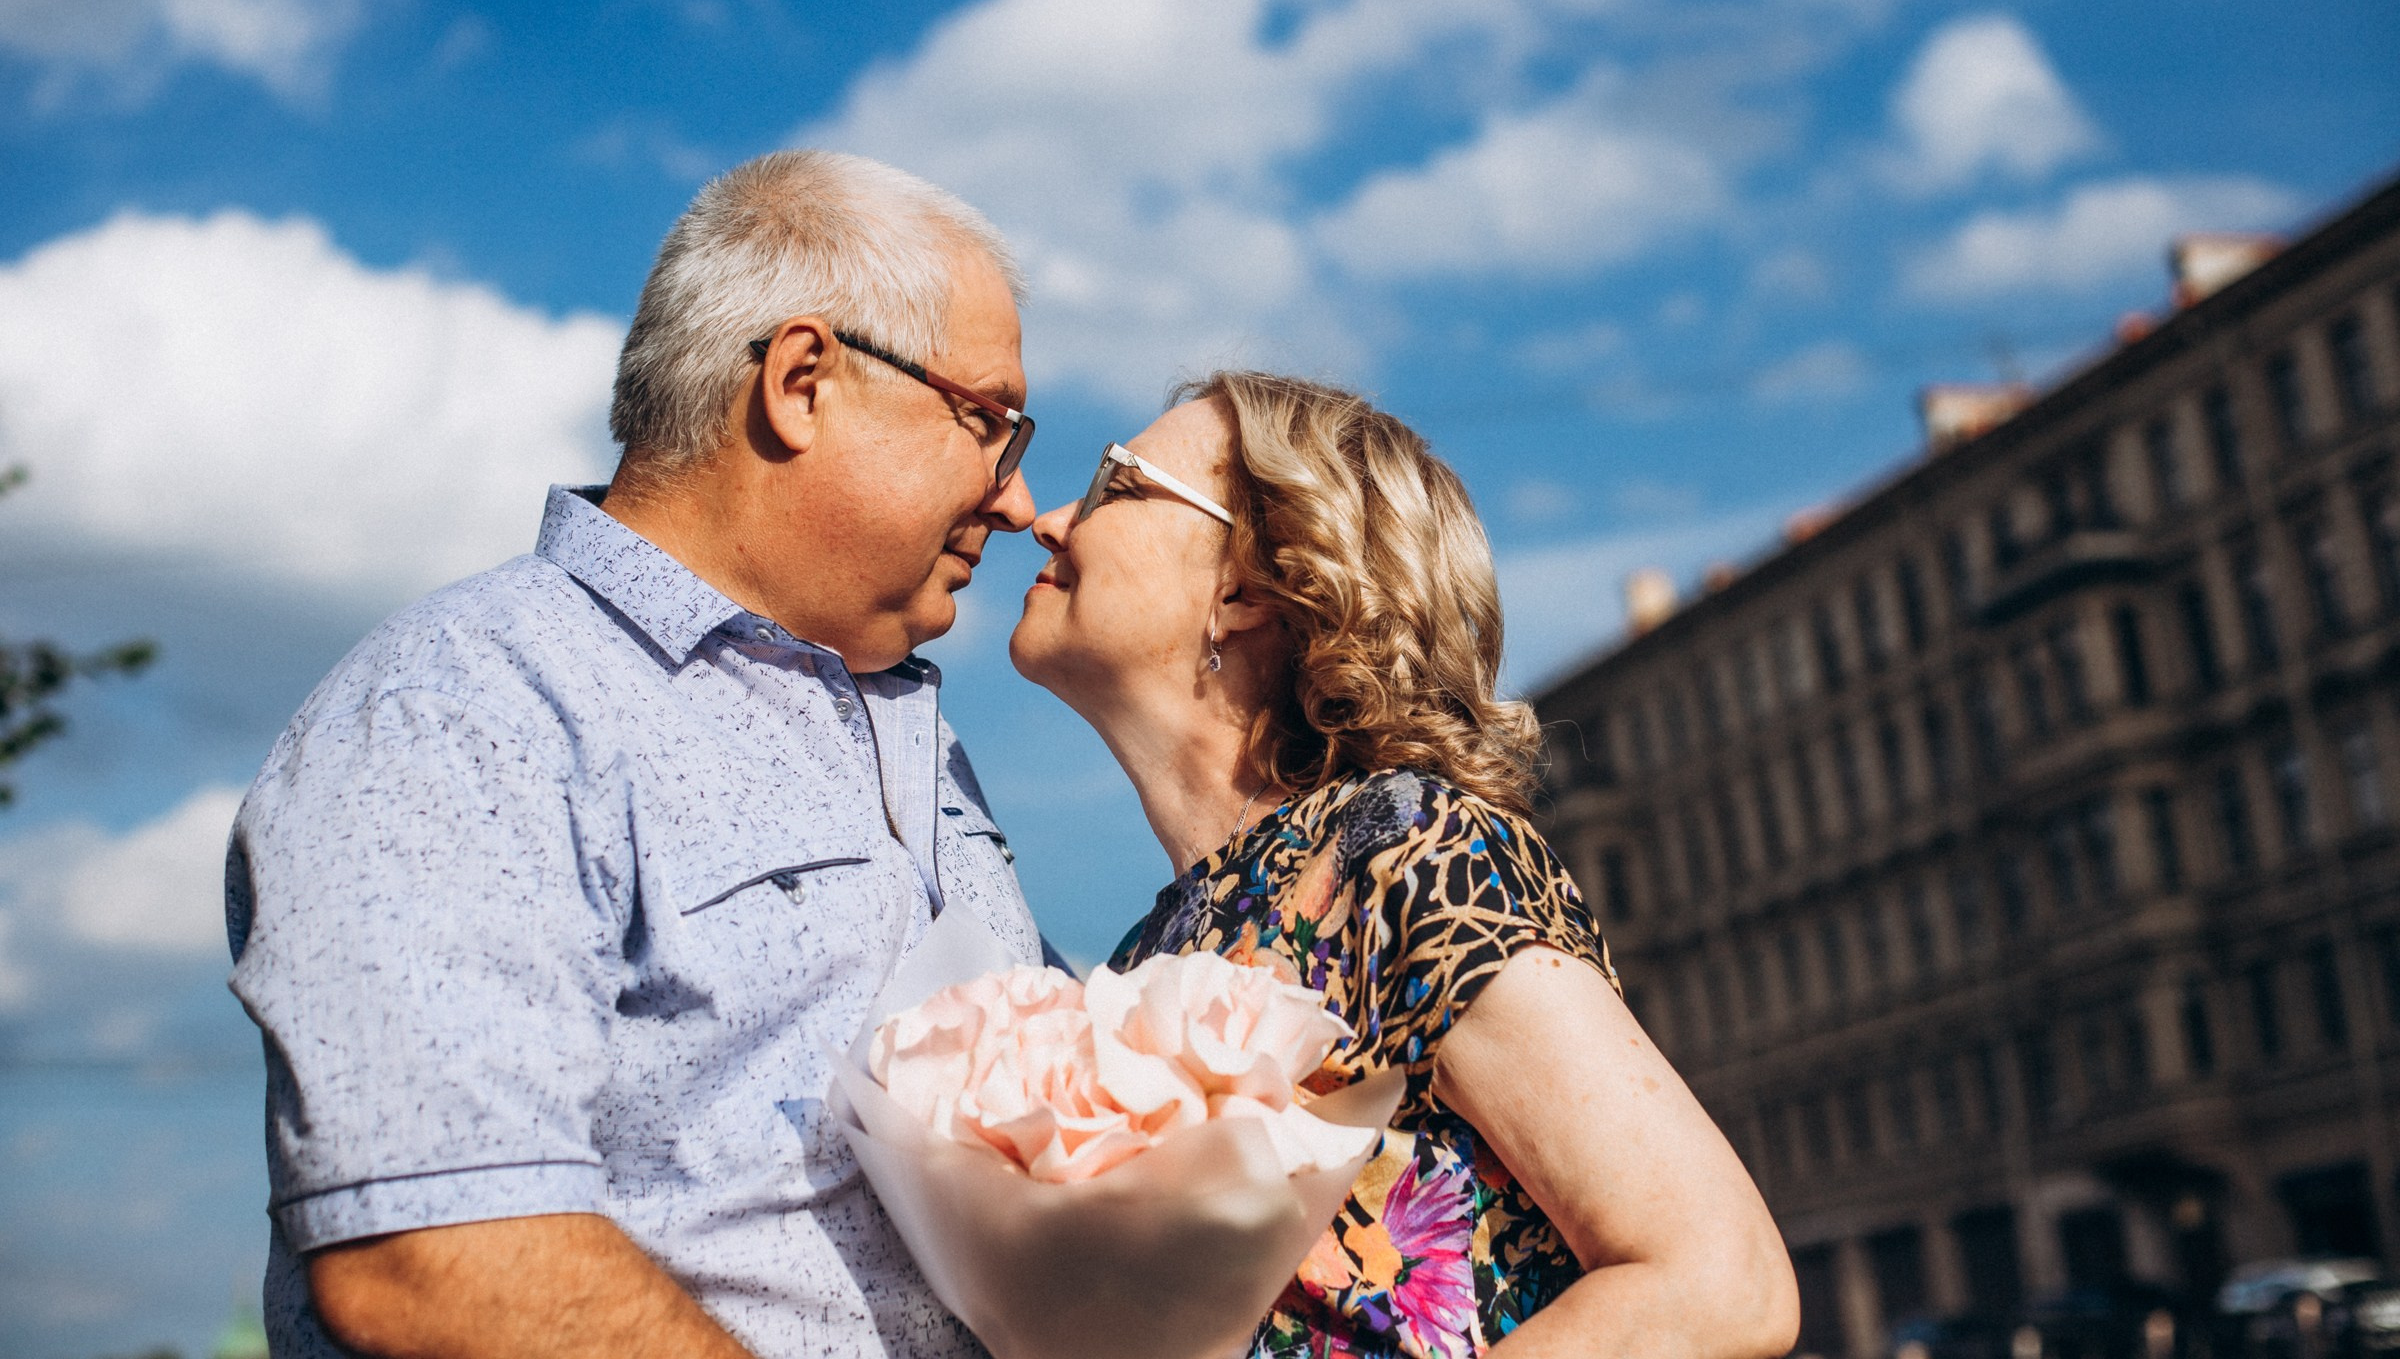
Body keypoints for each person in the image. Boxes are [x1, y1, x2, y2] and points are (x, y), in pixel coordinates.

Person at [226, 150, 1045, 1359]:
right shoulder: (465, 704)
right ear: (802, 382)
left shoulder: (920, 735)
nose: (1017, 501)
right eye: (989, 425)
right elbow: (429, 1253)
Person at [1009, 372, 1800, 1359]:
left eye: (1116, 483)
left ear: (1245, 586)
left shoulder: (1409, 848)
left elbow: (1722, 1281)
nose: (1048, 519)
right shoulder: (1146, 954)